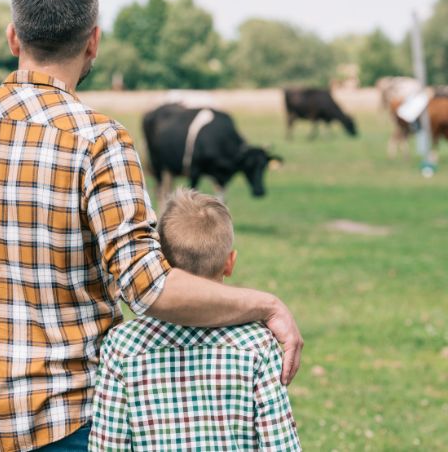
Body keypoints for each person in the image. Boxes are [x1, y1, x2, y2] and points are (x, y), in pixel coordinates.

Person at [0, 0, 302, 452]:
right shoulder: (100, 141)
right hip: (78, 425)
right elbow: (147, 286)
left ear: (13, 37)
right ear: (93, 42)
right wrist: (266, 305)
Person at [90, 189, 301, 451]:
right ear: (229, 263)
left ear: (160, 261)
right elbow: (280, 444)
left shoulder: (122, 345)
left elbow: (108, 445)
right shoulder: (258, 345)